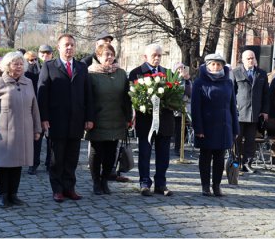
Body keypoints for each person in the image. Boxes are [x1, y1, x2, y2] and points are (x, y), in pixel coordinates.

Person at [37, 34, 94, 203]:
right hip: (56, 119)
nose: (69, 48)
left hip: (77, 120)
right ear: (59, 47)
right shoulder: (49, 66)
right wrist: (44, 117)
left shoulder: (81, 67)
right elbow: (42, 93)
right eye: (66, 45)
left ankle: (70, 188)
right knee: (57, 158)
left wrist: (89, 117)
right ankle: (57, 189)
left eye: (72, 45)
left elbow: (88, 94)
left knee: (72, 157)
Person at [0, 52, 42, 208]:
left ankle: (13, 194)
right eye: (15, 64)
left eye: (21, 64)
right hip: (4, 132)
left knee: (18, 164)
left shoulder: (28, 82)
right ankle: (3, 195)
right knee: (3, 164)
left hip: (24, 130)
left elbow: (34, 107)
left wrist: (37, 128)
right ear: (7, 66)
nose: (19, 67)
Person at [85, 43, 132, 195]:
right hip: (97, 119)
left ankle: (105, 180)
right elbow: (88, 99)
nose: (110, 57)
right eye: (106, 54)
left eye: (112, 54)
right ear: (98, 57)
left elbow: (126, 97)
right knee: (97, 152)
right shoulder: (91, 74)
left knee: (111, 154)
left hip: (116, 118)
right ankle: (96, 183)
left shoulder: (121, 73)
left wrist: (128, 117)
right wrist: (88, 118)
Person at [128, 44, 174, 197]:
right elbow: (132, 97)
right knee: (145, 154)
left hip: (164, 122)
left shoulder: (168, 73)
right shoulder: (136, 73)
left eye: (160, 55)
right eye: (154, 55)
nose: (157, 58)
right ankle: (144, 183)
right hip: (146, 122)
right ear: (145, 57)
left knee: (164, 155)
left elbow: (175, 96)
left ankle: (161, 183)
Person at [191, 54, 239, 196]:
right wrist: (198, 128)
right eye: (213, 64)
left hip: (224, 126)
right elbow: (195, 107)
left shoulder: (228, 82)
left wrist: (235, 128)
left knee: (219, 157)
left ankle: (216, 185)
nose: (216, 67)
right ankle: (205, 185)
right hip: (206, 126)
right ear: (207, 66)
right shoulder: (200, 82)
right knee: (205, 157)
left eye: (219, 64)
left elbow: (232, 106)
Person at [233, 50, 269, 173]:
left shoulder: (261, 74)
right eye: (248, 58)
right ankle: (235, 162)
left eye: (252, 58)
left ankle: (247, 163)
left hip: (255, 113)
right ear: (242, 60)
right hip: (239, 113)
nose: (250, 60)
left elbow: (266, 95)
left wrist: (264, 111)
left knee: (250, 140)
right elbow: (231, 93)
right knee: (237, 139)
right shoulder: (235, 72)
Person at [24, 49, 52, 175]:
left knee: (50, 138)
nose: (34, 62)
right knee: (36, 138)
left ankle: (49, 162)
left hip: (47, 106)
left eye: (35, 59)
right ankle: (33, 164)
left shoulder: (44, 69)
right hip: (33, 109)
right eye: (31, 60)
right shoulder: (25, 74)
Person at [172, 62, 192, 156]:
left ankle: (182, 147)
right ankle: (177, 147)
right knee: (178, 129)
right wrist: (180, 78)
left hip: (186, 108)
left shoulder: (188, 80)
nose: (181, 71)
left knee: (184, 129)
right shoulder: (175, 79)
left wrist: (187, 80)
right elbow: (177, 90)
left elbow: (190, 92)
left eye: (182, 69)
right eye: (179, 69)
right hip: (177, 108)